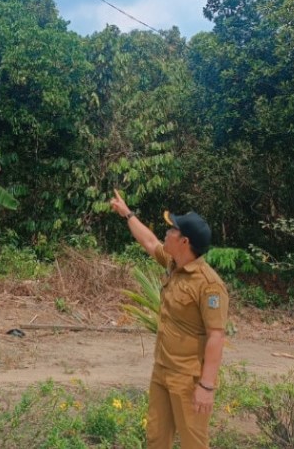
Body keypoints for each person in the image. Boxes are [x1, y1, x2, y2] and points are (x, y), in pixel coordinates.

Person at [110, 189, 228, 449]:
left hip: (188, 378)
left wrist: (206, 387)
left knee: (193, 443)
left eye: (172, 230)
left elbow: (216, 336)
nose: (167, 232)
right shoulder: (173, 264)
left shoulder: (209, 285)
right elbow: (150, 242)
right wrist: (127, 213)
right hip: (162, 370)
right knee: (156, 439)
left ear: (185, 241)